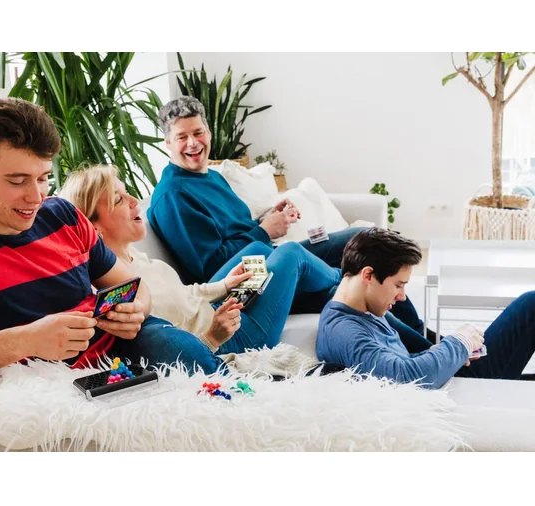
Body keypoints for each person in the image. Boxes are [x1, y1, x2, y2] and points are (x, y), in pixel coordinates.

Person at [0, 97, 208, 386]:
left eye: (43, 178)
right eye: (17, 181)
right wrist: (25, 341)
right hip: (54, 385)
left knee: (184, 355)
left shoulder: (62, 215)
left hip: (123, 351)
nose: (36, 197)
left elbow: (134, 286)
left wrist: (136, 309)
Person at [147, 95, 430, 337]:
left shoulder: (211, 177)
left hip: (268, 259)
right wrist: (264, 232)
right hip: (247, 285)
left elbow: (238, 232)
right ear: (167, 142)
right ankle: (422, 343)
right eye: (182, 137)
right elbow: (213, 269)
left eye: (198, 133)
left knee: (366, 239)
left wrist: (269, 220)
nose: (193, 143)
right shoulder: (174, 195)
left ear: (208, 132)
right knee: (351, 285)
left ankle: (420, 331)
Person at [60, 165, 345, 374]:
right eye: (119, 199)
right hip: (232, 336)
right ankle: (343, 282)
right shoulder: (118, 293)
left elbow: (184, 294)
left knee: (257, 251)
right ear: (92, 228)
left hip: (216, 309)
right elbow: (169, 346)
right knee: (290, 253)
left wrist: (225, 284)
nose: (134, 201)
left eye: (126, 192)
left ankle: (330, 288)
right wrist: (213, 336)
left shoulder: (134, 255)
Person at [316, 227, 535, 389]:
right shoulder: (345, 331)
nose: (402, 296)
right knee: (530, 305)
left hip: (447, 374)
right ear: (368, 275)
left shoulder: (360, 309)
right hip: (456, 386)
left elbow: (397, 360)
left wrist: (441, 353)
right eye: (398, 285)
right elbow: (403, 377)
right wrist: (460, 342)